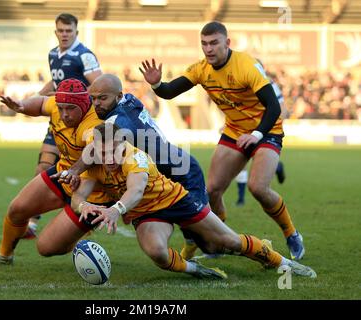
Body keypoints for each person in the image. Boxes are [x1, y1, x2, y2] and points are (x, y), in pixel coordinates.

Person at [139, 21, 305, 260]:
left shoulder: (246, 65)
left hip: (266, 131)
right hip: (235, 132)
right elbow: (168, 91)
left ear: (227, 43)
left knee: (257, 187)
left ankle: (291, 233)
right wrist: (156, 83)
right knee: (212, 190)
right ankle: (219, 240)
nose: (208, 49)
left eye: (214, 43)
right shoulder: (200, 69)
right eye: (204, 44)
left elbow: (273, 106)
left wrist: (256, 134)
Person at [66, 123, 316, 279]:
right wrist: (83, 206)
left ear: (123, 146)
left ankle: (283, 263)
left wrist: (116, 209)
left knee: (227, 241)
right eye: (103, 152)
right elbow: (78, 196)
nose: (109, 157)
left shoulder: (136, 158)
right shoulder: (94, 162)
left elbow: (136, 190)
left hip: (175, 200)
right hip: (146, 214)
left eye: (114, 151)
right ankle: (197, 270)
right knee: (158, 254)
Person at [53, 74, 210, 259]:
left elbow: (94, 150)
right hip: (165, 170)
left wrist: (73, 171)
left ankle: (215, 248)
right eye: (93, 98)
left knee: (206, 231)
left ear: (118, 96)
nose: (96, 103)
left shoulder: (117, 122)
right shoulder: (129, 100)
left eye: (103, 98)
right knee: (189, 226)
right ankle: (194, 245)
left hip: (182, 171)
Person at [0, 79, 109, 266]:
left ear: (84, 105)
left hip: (93, 189)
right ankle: (4, 255)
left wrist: (74, 170)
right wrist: (22, 106)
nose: (64, 114)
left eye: (70, 109)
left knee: (46, 248)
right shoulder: (58, 105)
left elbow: (93, 150)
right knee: (17, 210)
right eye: (60, 108)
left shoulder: (94, 123)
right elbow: (40, 103)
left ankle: (78, 231)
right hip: (63, 173)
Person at [24, 13, 103, 238]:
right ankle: (31, 223)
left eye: (69, 31)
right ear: (55, 32)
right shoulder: (53, 54)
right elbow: (56, 79)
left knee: (76, 176)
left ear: (76, 32)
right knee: (42, 168)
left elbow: (99, 86)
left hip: (78, 124)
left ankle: (80, 225)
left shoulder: (84, 56)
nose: (65, 34)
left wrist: (68, 96)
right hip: (57, 121)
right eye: (61, 31)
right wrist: (37, 96)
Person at [235, 60, 286, 206]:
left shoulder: (269, 84)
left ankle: (277, 166)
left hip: (264, 129)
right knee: (241, 162)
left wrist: (275, 124)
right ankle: (241, 198)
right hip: (245, 127)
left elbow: (280, 107)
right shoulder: (243, 82)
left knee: (259, 161)